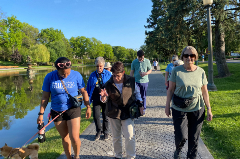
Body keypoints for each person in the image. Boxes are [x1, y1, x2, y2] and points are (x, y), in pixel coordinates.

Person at [37, 57, 91, 159]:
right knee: (65, 137)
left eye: (67, 72)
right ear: (57, 70)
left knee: (74, 137)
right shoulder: (49, 77)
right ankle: (69, 157)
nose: (65, 75)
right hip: (57, 110)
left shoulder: (76, 75)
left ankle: (77, 156)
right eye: (62, 73)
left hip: (73, 109)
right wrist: (41, 114)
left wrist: (88, 106)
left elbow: (83, 91)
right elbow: (45, 97)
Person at [165, 46, 213, 159]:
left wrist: (209, 108)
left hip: (197, 107)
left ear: (195, 57)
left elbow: (205, 91)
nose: (189, 58)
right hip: (179, 107)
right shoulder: (176, 71)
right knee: (181, 135)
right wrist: (167, 105)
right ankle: (178, 149)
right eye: (186, 55)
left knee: (194, 137)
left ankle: (191, 157)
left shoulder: (201, 71)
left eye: (192, 55)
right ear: (183, 57)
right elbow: (170, 89)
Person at [99, 61, 144, 159]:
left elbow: (137, 93)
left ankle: (131, 156)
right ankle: (118, 156)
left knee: (129, 136)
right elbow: (104, 99)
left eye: (118, 76)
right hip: (113, 112)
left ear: (123, 73)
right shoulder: (108, 83)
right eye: (114, 75)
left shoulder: (131, 80)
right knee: (116, 137)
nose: (116, 78)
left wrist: (140, 104)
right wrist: (103, 98)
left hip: (127, 111)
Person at [86, 57, 112, 140]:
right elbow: (88, 87)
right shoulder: (92, 75)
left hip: (106, 98)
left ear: (103, 65)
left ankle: (106, 132)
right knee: (96, 116)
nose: (99, 68)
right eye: (97, 66)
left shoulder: (108, 74)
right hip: (96, 98)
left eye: (100, 66)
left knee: (105, 115)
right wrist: (87, 99)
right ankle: (98, 131)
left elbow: (112, 86)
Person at [130, 50, 152, 115]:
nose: (140, 59)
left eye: (141, 57)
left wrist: (146, 73)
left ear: (143, 56)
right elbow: (131, 71)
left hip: (144, 81)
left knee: (143, 96)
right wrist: (131, 80)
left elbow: (150, 70)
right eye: (139, 57)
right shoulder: (134, 62)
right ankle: (137, 108)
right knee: (136, 95)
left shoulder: (147, 61)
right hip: (136, 81)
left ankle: (143, 109)